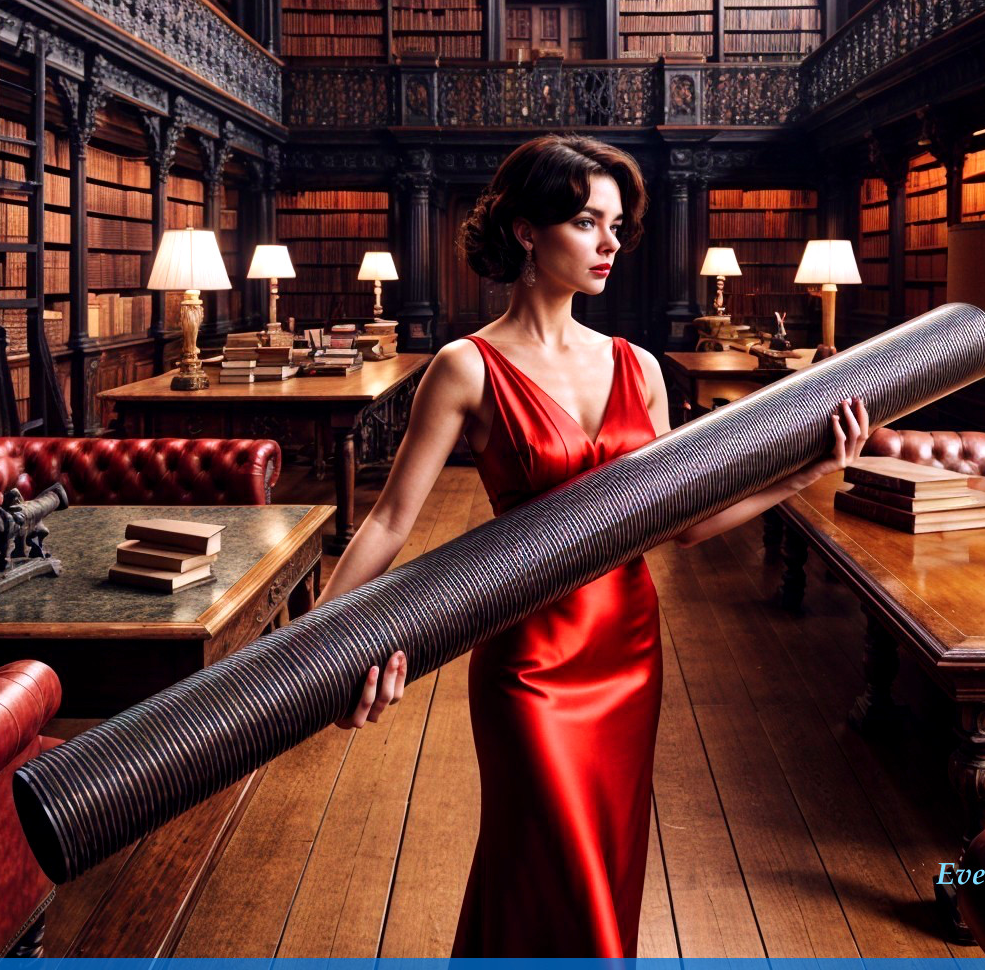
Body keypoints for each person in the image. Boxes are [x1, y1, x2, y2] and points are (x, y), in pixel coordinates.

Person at [315, 133, 869, 956]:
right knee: (546, 858)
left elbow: (677, 523)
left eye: (616, 224)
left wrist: (799, 477)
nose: (611, 243)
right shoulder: (465, 368)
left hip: (627, 649)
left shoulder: (640, 368)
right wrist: (317, 647)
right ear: (527, 231)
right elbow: (392, 521)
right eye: (586, 222)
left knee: (604, 868)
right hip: (527, 662)